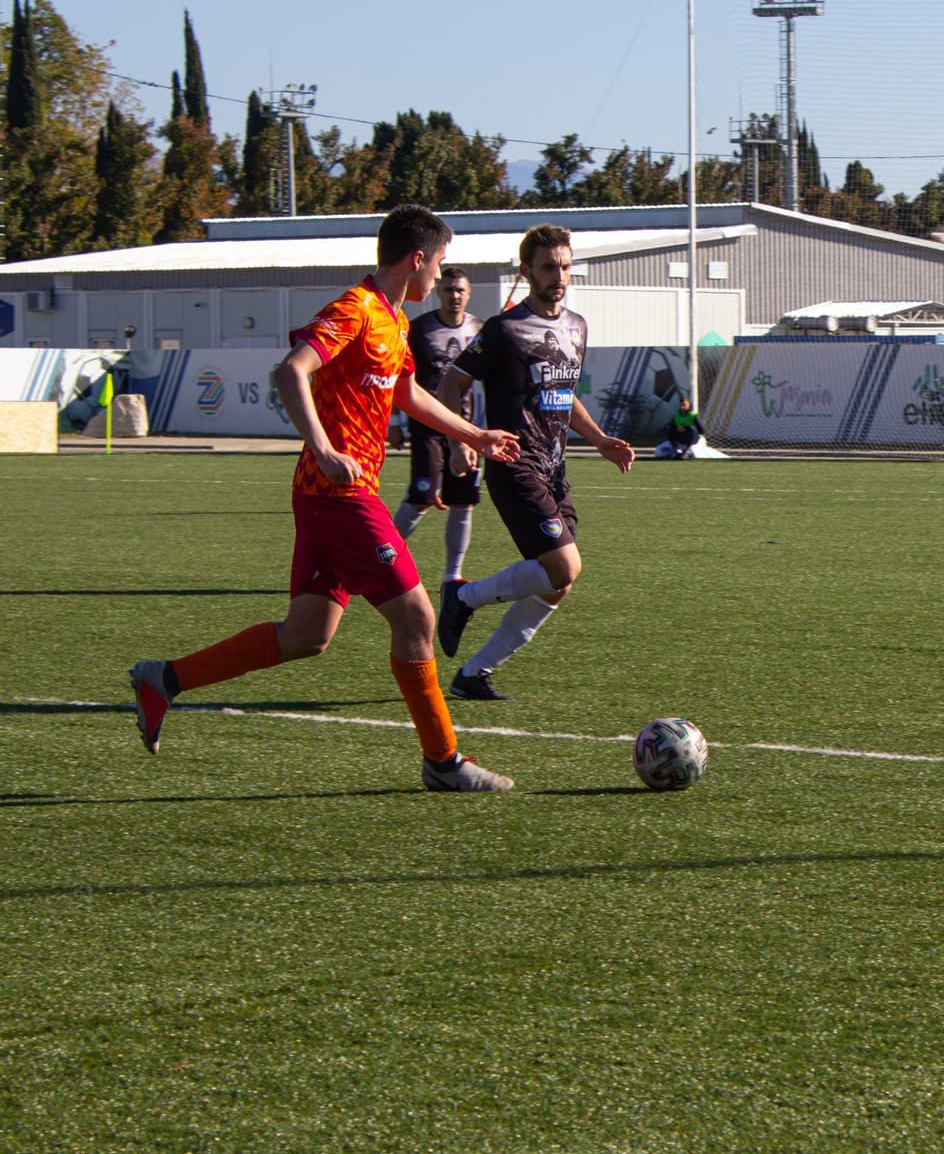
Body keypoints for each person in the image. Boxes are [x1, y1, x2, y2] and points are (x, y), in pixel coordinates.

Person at [129, 206, 524, 792]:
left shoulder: (393, 321)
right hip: (340, 494)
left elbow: (408, 394)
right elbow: (292, 372)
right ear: (417, 259)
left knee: (306, 635)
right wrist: (321, 446)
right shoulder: (357, 309)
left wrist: (475, 435)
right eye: (438, 265)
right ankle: (444, 762)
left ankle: (162, 678)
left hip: (326, 494)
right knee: (417, 615)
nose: (439, 279)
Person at [434, 224, 635, 701]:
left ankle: (474, 673)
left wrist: (601, 439)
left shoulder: (577, 326)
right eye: (548, 267)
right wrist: (462, 440)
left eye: (565, 266)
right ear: (527, 271)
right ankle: (462, 596)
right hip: (514, 464)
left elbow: (561, 398)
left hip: (555, 468)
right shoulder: (503, 330)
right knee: (564, 565)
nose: (559, 275)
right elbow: (450, 385)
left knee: (557, 583)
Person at [391, 266, 485, 588]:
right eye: (447, 290)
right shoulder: (418, 330)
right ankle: (379, 560)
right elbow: (396, 375)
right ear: (438, 292)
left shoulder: (479, 328)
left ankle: (452, 576)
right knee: (422, 496)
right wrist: (393, 422)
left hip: (465, 429)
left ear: (469, 293)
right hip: (427, 427)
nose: (454, 296)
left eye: (460, 290)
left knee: (463, 500)